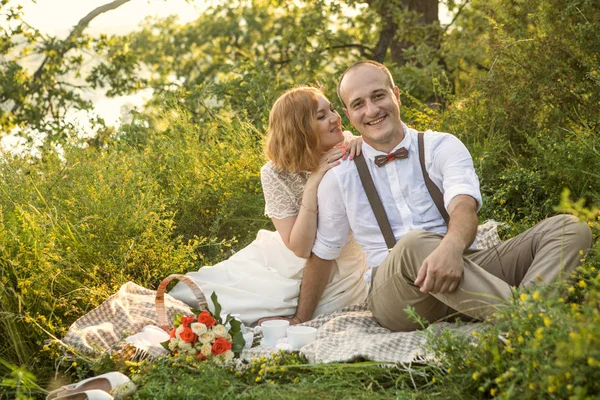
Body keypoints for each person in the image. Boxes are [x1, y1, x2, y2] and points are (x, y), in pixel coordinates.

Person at [273, 60, 593, 332]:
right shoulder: (339, 175)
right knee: (414, 243)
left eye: (379, 96)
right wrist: (302, 317)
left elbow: (463, 205)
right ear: (349, 113)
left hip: (461, 268)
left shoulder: (441, 146)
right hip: (398, 294)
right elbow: (324, 255)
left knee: (569, 228)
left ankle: (515, 314)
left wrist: (452, 247)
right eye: (359, 104)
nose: (371, 110)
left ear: (396, 95)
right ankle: (528, 323)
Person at [169, 86, 369, 326]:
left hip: (345, 261)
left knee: (321, 316)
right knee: (219, 303)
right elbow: (301, 248)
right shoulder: (276, 173)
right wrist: (314, 181)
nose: (336, 118)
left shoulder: (350, 146)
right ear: (300, 129)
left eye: (333, 110)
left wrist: (364, 140)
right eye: (321, 116)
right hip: (291, 259)